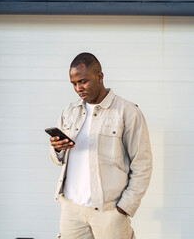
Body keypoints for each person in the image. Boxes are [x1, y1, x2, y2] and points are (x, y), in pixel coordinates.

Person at [49, 52, 152, 239]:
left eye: (83, 81)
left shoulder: (127, 112)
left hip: (109, 212)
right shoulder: (70, 111)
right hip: (72, 209)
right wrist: (57, 148)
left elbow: (142, 164)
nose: (78, 88)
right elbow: (57, 159)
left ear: (100, 76)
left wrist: (125, 207)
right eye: (74, 84)